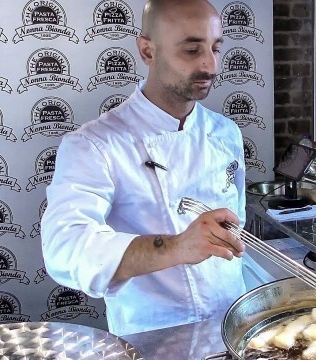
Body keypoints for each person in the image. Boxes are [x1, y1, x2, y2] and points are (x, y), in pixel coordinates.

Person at [41, 0, 248, 336]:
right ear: (148, 51)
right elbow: (65, 248)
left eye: (216, 48)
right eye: (192, 50)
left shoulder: (226, 132)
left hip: (232, 327)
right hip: (153, 337)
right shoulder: (95, 144)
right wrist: (178, 246)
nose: (211, 65)